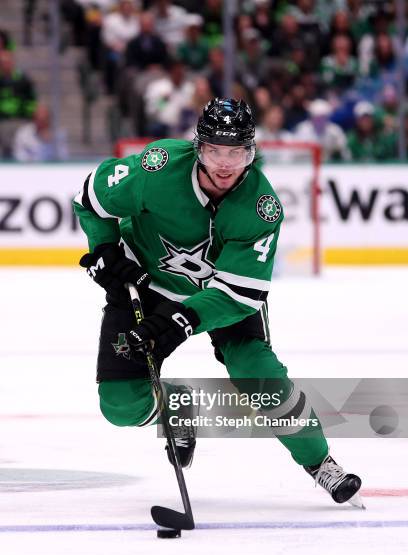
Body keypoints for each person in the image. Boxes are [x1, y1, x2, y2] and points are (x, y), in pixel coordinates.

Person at [73, 97, 363, 506]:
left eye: (237, 152)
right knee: (120, 406)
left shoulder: (262, 209)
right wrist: (104, 250)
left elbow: (239, 293)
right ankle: (175, 405)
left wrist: (183, 319)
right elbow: (90, 199)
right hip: (145, 283)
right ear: (197, 147)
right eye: (214, 151)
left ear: (252, 152)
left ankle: (321, 463)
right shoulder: (157, 168)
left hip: (220, 298)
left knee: (257, 374)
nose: (225, 164)